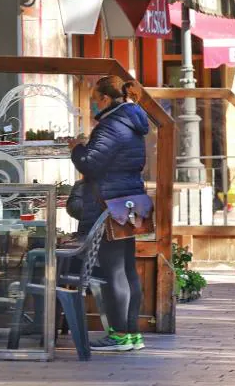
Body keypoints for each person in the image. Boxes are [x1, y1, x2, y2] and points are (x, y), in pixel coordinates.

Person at [67, 76, 148, 352]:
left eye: (94, 97)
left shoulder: (111, 125)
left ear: (104, 98)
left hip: (108, 203)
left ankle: (119, 334)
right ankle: (133, 335)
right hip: (129, 201)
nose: (92, 102)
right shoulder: (132, 121)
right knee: (127, 269)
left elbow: (90, 164)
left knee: (113, 271)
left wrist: (76, 148)